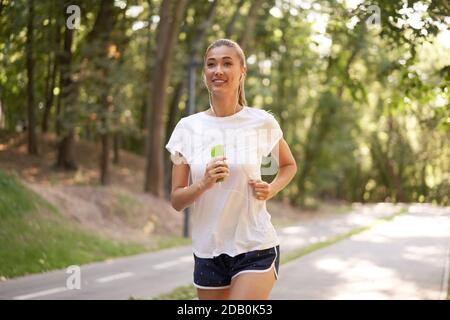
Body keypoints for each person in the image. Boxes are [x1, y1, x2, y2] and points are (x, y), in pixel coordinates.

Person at [165, 39, 297, 300]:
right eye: (211, 64)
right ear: (205, 73)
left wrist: (270, 189)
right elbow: (177, 200)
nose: (218, 70)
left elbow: (289, 165)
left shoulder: (261, 122)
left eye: (227, 63)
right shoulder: (188, 128)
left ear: (242, 71)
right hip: (208, 251)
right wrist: (203, 183)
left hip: (255, 244)